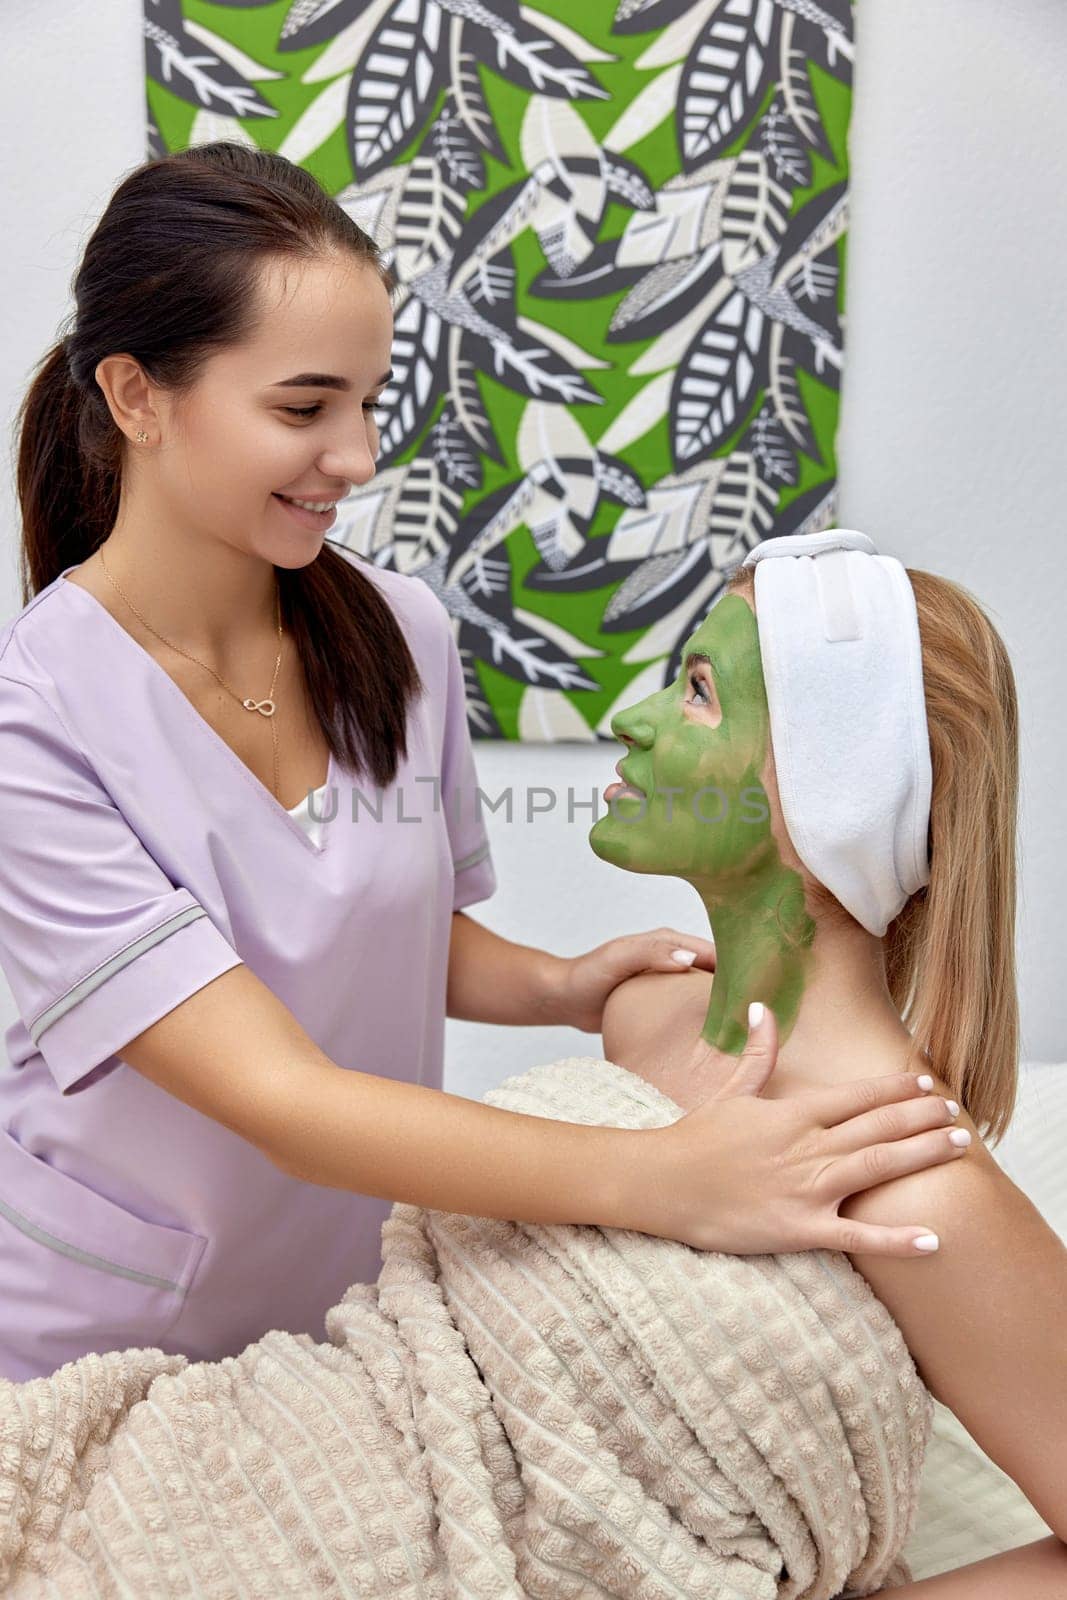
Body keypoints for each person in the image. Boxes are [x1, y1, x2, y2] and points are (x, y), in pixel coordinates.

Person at [0, 142, 964, 1386]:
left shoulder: (396, 635)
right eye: (303, 408)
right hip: (103, 1337)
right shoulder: (38, 718)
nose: (354, 456)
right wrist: (664, 1183)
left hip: (351, 1308)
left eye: (367, 401)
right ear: (136, 395)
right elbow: (275, 1088)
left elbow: (367, 925)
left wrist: (559, 982)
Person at [590, 534, 1067, 1594]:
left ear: (826, 791)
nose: (635, 719)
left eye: (701, 693)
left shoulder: (904, 1168)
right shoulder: (642, 1016)